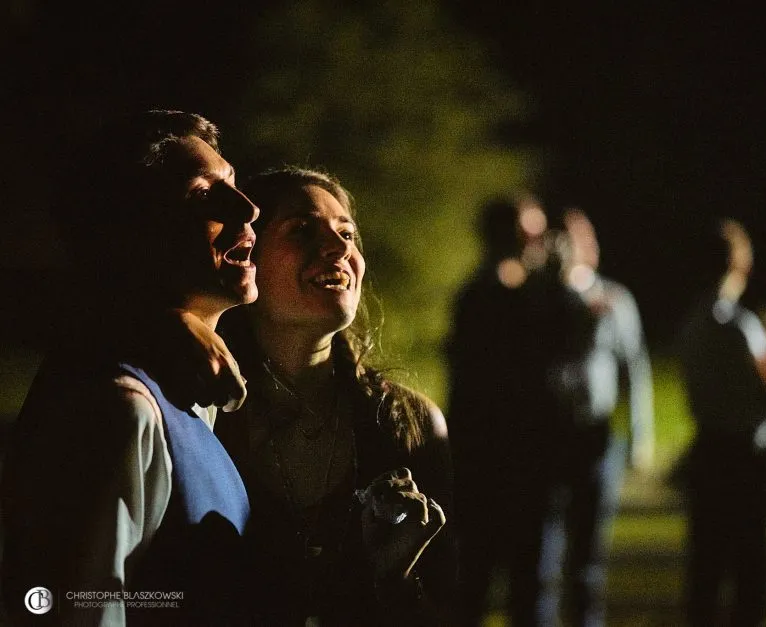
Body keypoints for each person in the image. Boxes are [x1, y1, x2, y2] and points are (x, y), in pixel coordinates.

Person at [1, 110, 260, 626]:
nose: (248, 208)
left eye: (232, 182)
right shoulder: (118, 409)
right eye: (203, 194)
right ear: (136, 234)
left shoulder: (191, 395)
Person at [214, 166, 455, 626]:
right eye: (302, 230)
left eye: (348, 233)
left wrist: (397, 579)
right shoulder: (201, 414)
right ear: (247, 255)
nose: (341, 247)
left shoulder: (411, 424)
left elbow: (447, 607)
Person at [446, 195, 596, 626]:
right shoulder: (499, 298)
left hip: (512, 462)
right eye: (531, 231)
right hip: (506, 462)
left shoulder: (490, 294)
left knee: (506, 581)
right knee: (504, 581)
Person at [534, 207, 655, 626]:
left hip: (595, 432)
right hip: (547, 432)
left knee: (588, 554)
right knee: (542, 551)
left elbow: (634, 367)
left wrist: (641, 433)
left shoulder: (615, 299)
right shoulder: (538, 299)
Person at [678, 218, 766, 627]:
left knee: (705, 567)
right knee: (750, 569)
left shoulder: (690, 323)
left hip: (707, 448)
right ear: (741, 265)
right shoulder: (743, 326)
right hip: (743, 454)